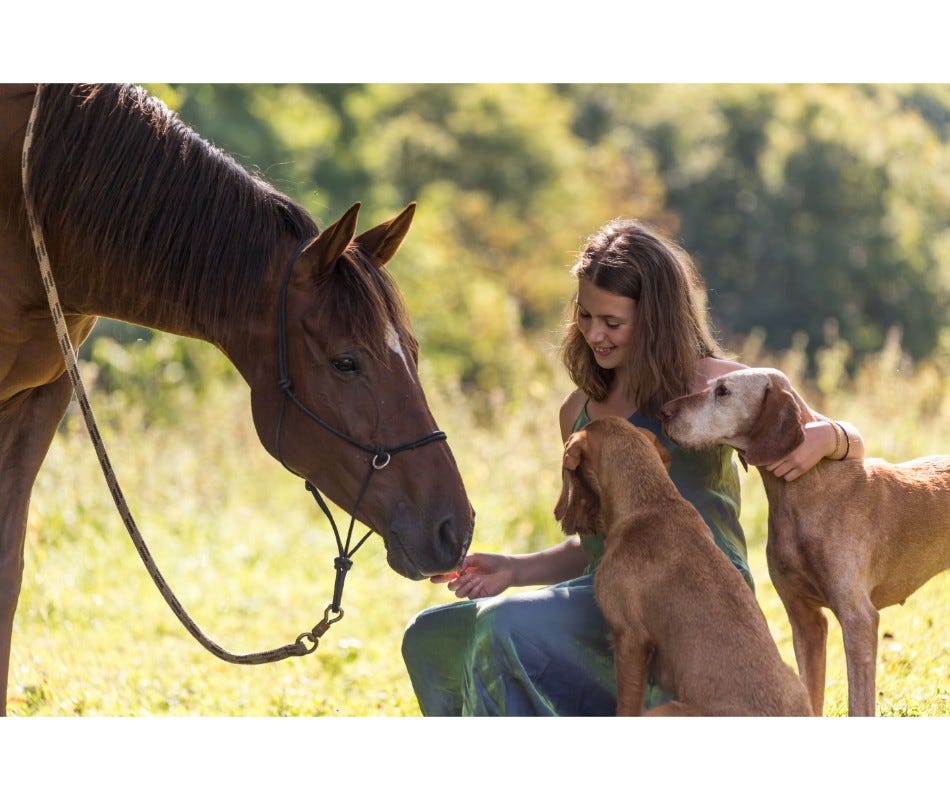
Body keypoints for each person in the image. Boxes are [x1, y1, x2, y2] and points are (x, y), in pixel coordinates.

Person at [401, 218, 865, 716]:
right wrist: (515, 569)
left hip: (695, 603)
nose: (594, 334)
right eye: (585, 316)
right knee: (431, 636)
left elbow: (846, 443)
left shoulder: (720, 388)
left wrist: (831, 437)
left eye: (612, 322)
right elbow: (597, 544)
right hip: (609, 596)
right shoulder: (577, 411)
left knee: (506, 626)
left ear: (656, 318)